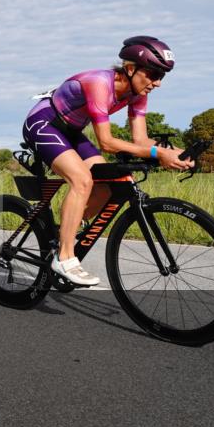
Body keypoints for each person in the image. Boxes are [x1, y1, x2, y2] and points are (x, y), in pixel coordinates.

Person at [21, 36, 193, 286]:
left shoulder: (138, 94)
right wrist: (158, 155)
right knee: (82, 180)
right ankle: (64, 257)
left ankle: (63, 232)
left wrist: (178, 152)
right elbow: (107, 143)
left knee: (107, 182)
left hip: (71, 131)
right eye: (154, 74)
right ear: (131, 68)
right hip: (44, 122)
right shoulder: (99, 84)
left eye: (162, 77)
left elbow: (141, 139)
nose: (157, 83)